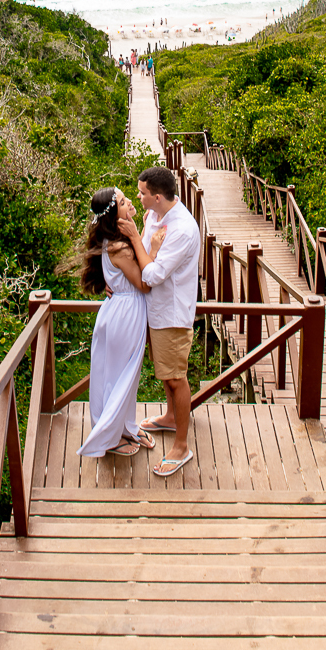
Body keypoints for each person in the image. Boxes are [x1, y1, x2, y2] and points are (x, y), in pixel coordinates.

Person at [118, 166, 200, 477]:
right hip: (153, 310)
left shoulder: (181, 229)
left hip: (172, 314)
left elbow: (152, 274)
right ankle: (169, 417)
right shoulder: (155, 215)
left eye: (140, 193)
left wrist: (139, 241)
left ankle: (182, 445)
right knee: (165, 373)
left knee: (176, 377)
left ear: (156, 196)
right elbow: (145, 257)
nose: (137, 197)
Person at [77, 188, 166, 458]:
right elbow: (144, 284)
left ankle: (124, 426)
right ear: (115, 216)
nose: (130, 203)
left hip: (119, 312)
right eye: (125, 202)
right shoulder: (120, 247)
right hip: (126, 315)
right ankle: (108, 438)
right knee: (119, 378)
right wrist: (153, 247)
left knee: (122, 377)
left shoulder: (111, 241)